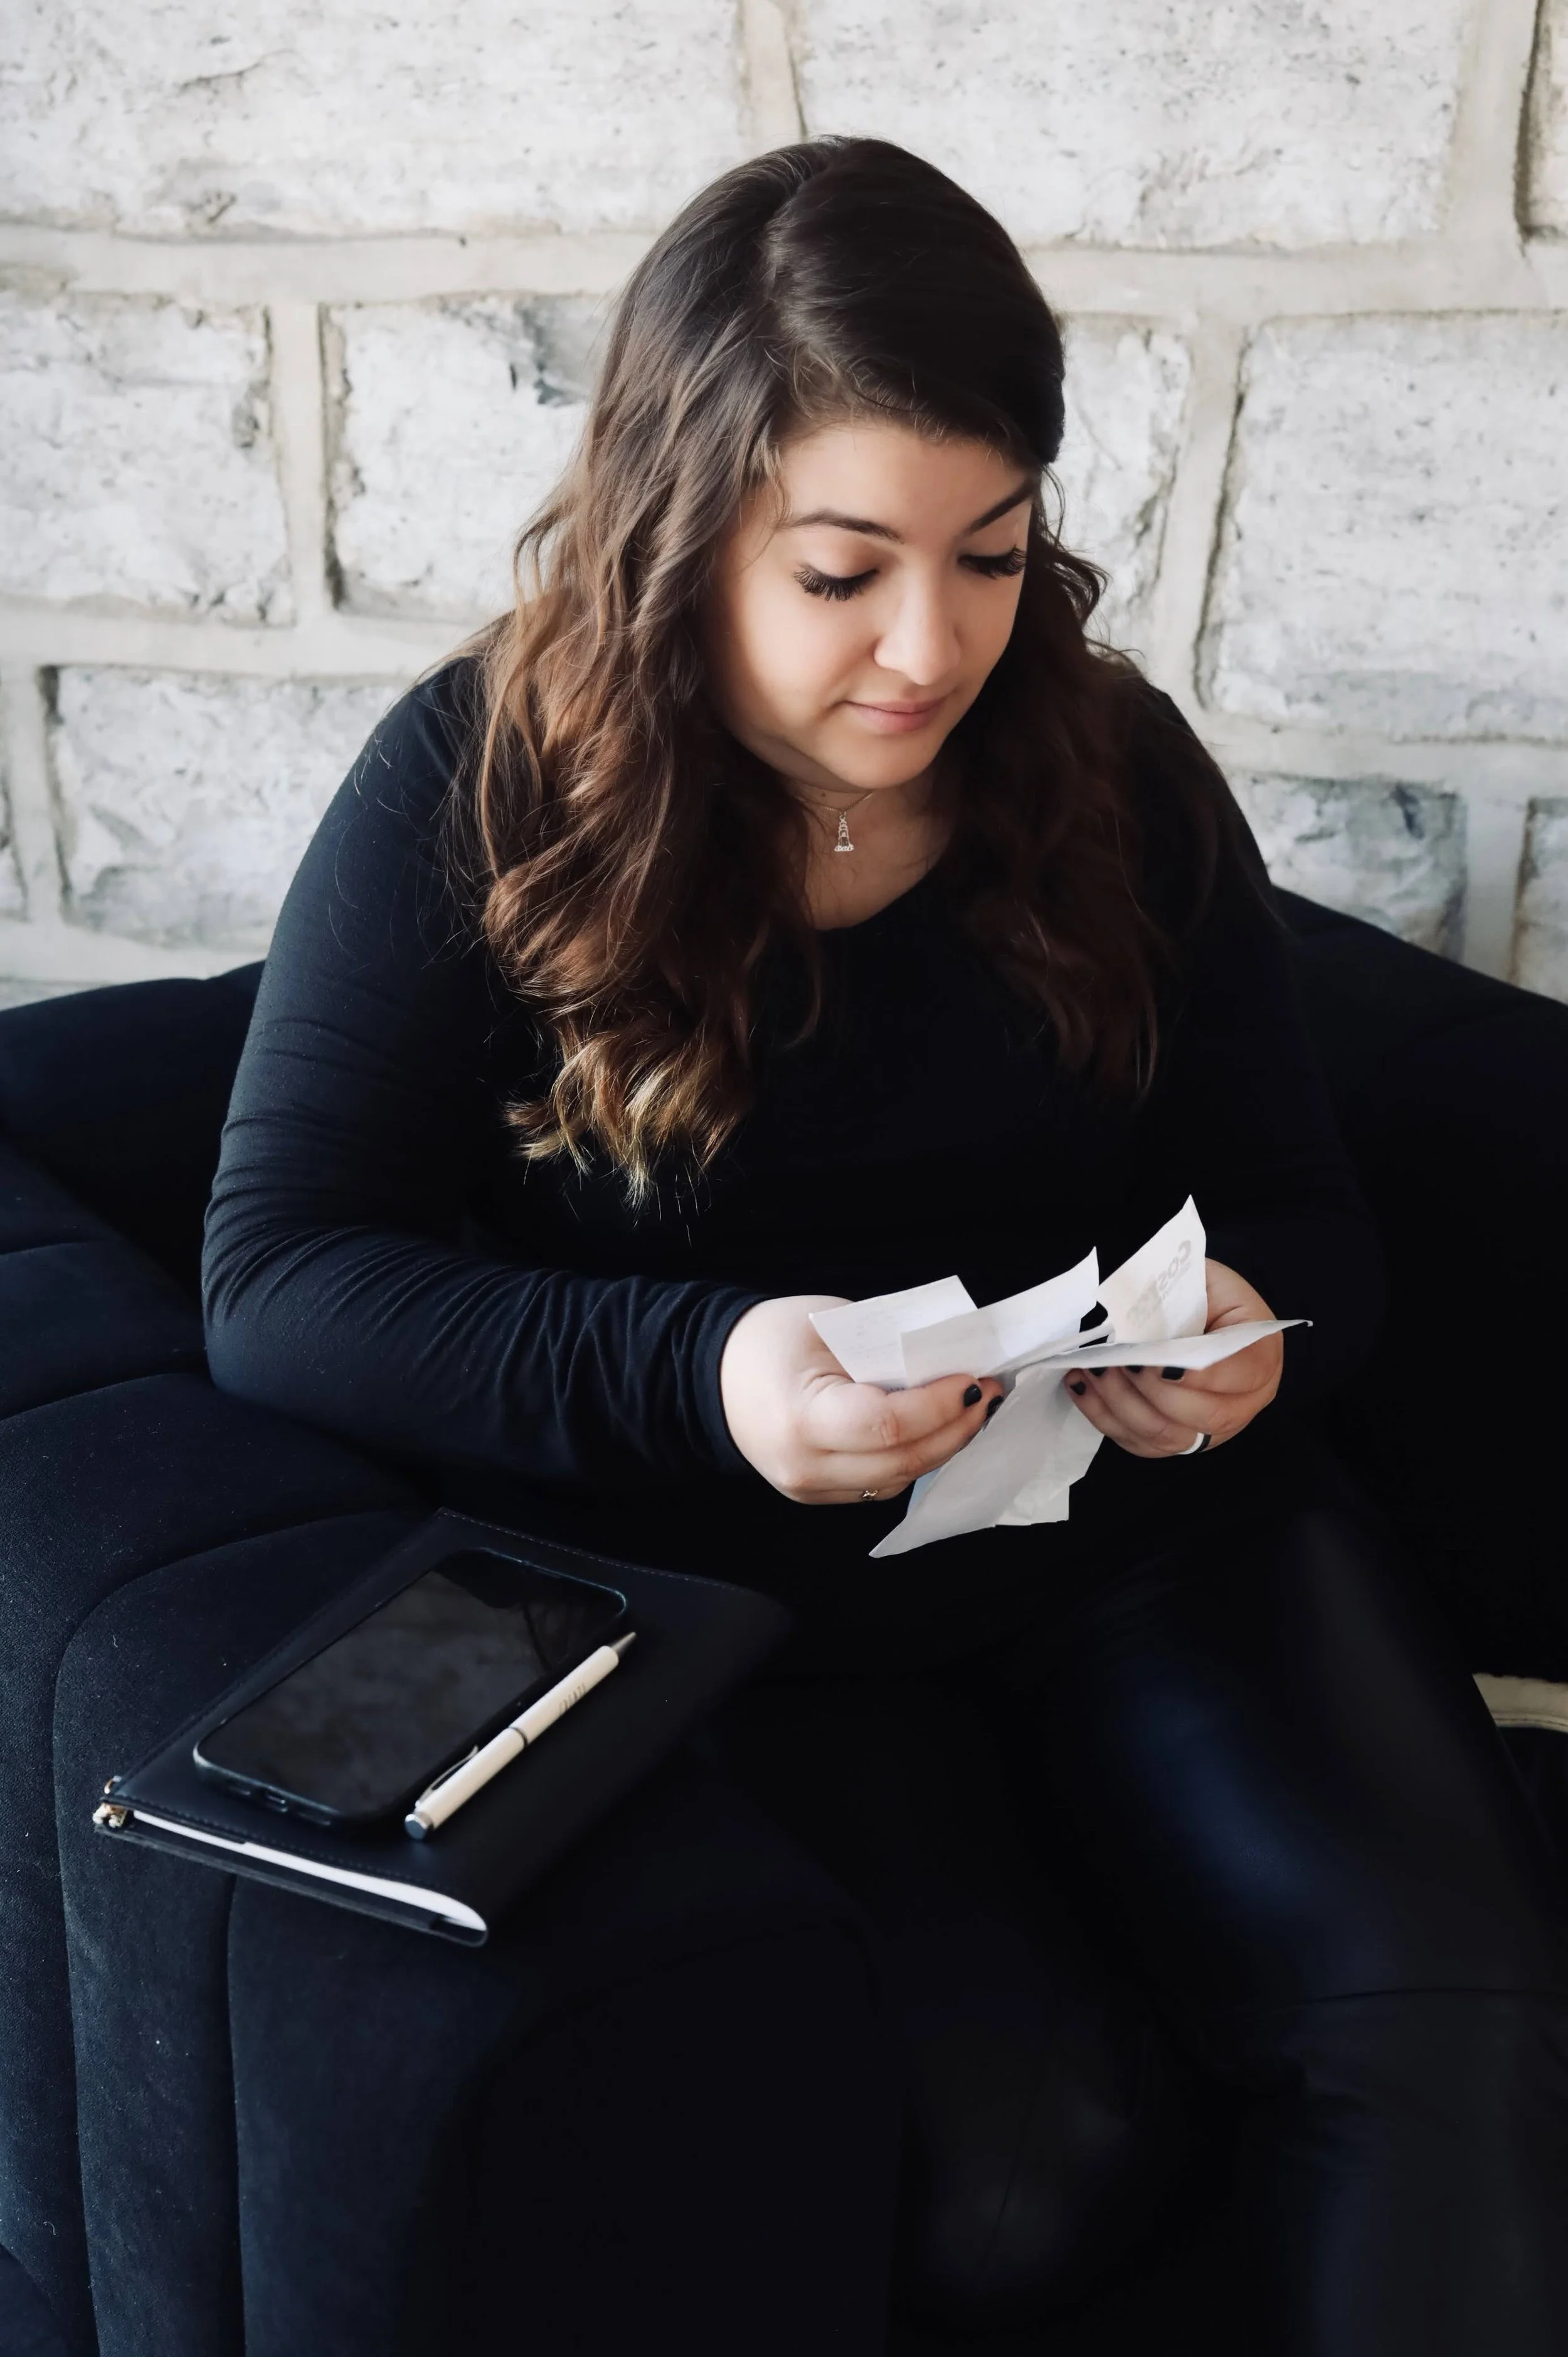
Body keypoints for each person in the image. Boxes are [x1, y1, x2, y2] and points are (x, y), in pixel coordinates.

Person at [203, 139, 1568, 2351]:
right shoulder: (484, 780)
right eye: (839, 570)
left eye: (990, 554)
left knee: (1458, 2021)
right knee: (1014, 2176)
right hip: (742, 1608)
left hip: (1145, 1539)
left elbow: (1309, 1212)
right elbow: (274, 1280)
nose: (926, 647)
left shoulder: (1104, 768)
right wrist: (710, 1373)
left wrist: (1256, 1340)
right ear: (683, 528)